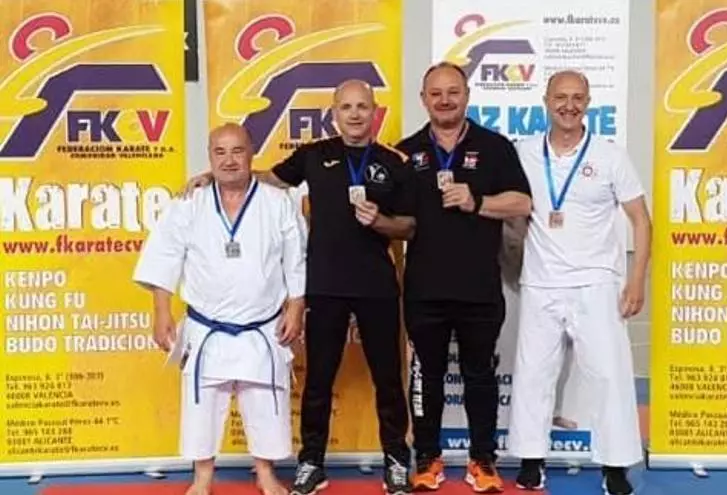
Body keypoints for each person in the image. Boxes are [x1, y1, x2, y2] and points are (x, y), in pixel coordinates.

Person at [184, 80, 415, 495]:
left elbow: (410, 227)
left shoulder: (393, 162)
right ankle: (312, 462)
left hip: (376, 285)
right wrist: (213, 176)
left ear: (374, 111)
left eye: (362, 106)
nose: (355, 114)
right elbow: (264, 178)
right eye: (346, 107)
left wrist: (381, 221)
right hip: (323, 284)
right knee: (318, 380)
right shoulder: (314, 155)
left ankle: (397, 461)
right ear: (334, 113)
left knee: (388, 379)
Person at [133, 123, 307, 495]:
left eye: (237, 151)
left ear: (251, 153)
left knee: (266, 403)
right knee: (202, 406)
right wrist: (161, 310)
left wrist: (296, 305)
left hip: (262, 326)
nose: (229, 160)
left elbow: (296, 260)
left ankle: (265, 474)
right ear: (210, 157)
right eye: (220, 152)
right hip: (206, 326)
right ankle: (202, 479)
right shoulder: (189, 203)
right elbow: (165, 256)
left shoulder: (278, 203)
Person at [505, 70, 651, 495]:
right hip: (541, 281)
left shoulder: (610, 155)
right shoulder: (524, 152)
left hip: (596, 282)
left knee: (608, 375)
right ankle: (531, 461)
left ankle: (615, 465)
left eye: (577, 98)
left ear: (588, 103)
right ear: (545, 101)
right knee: (533, 374)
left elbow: (641, 220)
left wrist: (636, 280)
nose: (568, 106)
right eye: (560, 97)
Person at [395, 62, 533, 493]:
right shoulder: (405, 152)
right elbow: (393, 218)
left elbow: (522, 203)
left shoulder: (495, 147)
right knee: (426, 377)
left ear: (467, 95)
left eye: (453, 92)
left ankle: (482, 460)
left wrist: (477, 201)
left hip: (479, 288)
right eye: (436, 93)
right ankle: (427, 458)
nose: (445, 100)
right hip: (424, 289)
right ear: (423, 99)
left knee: (480, 376)